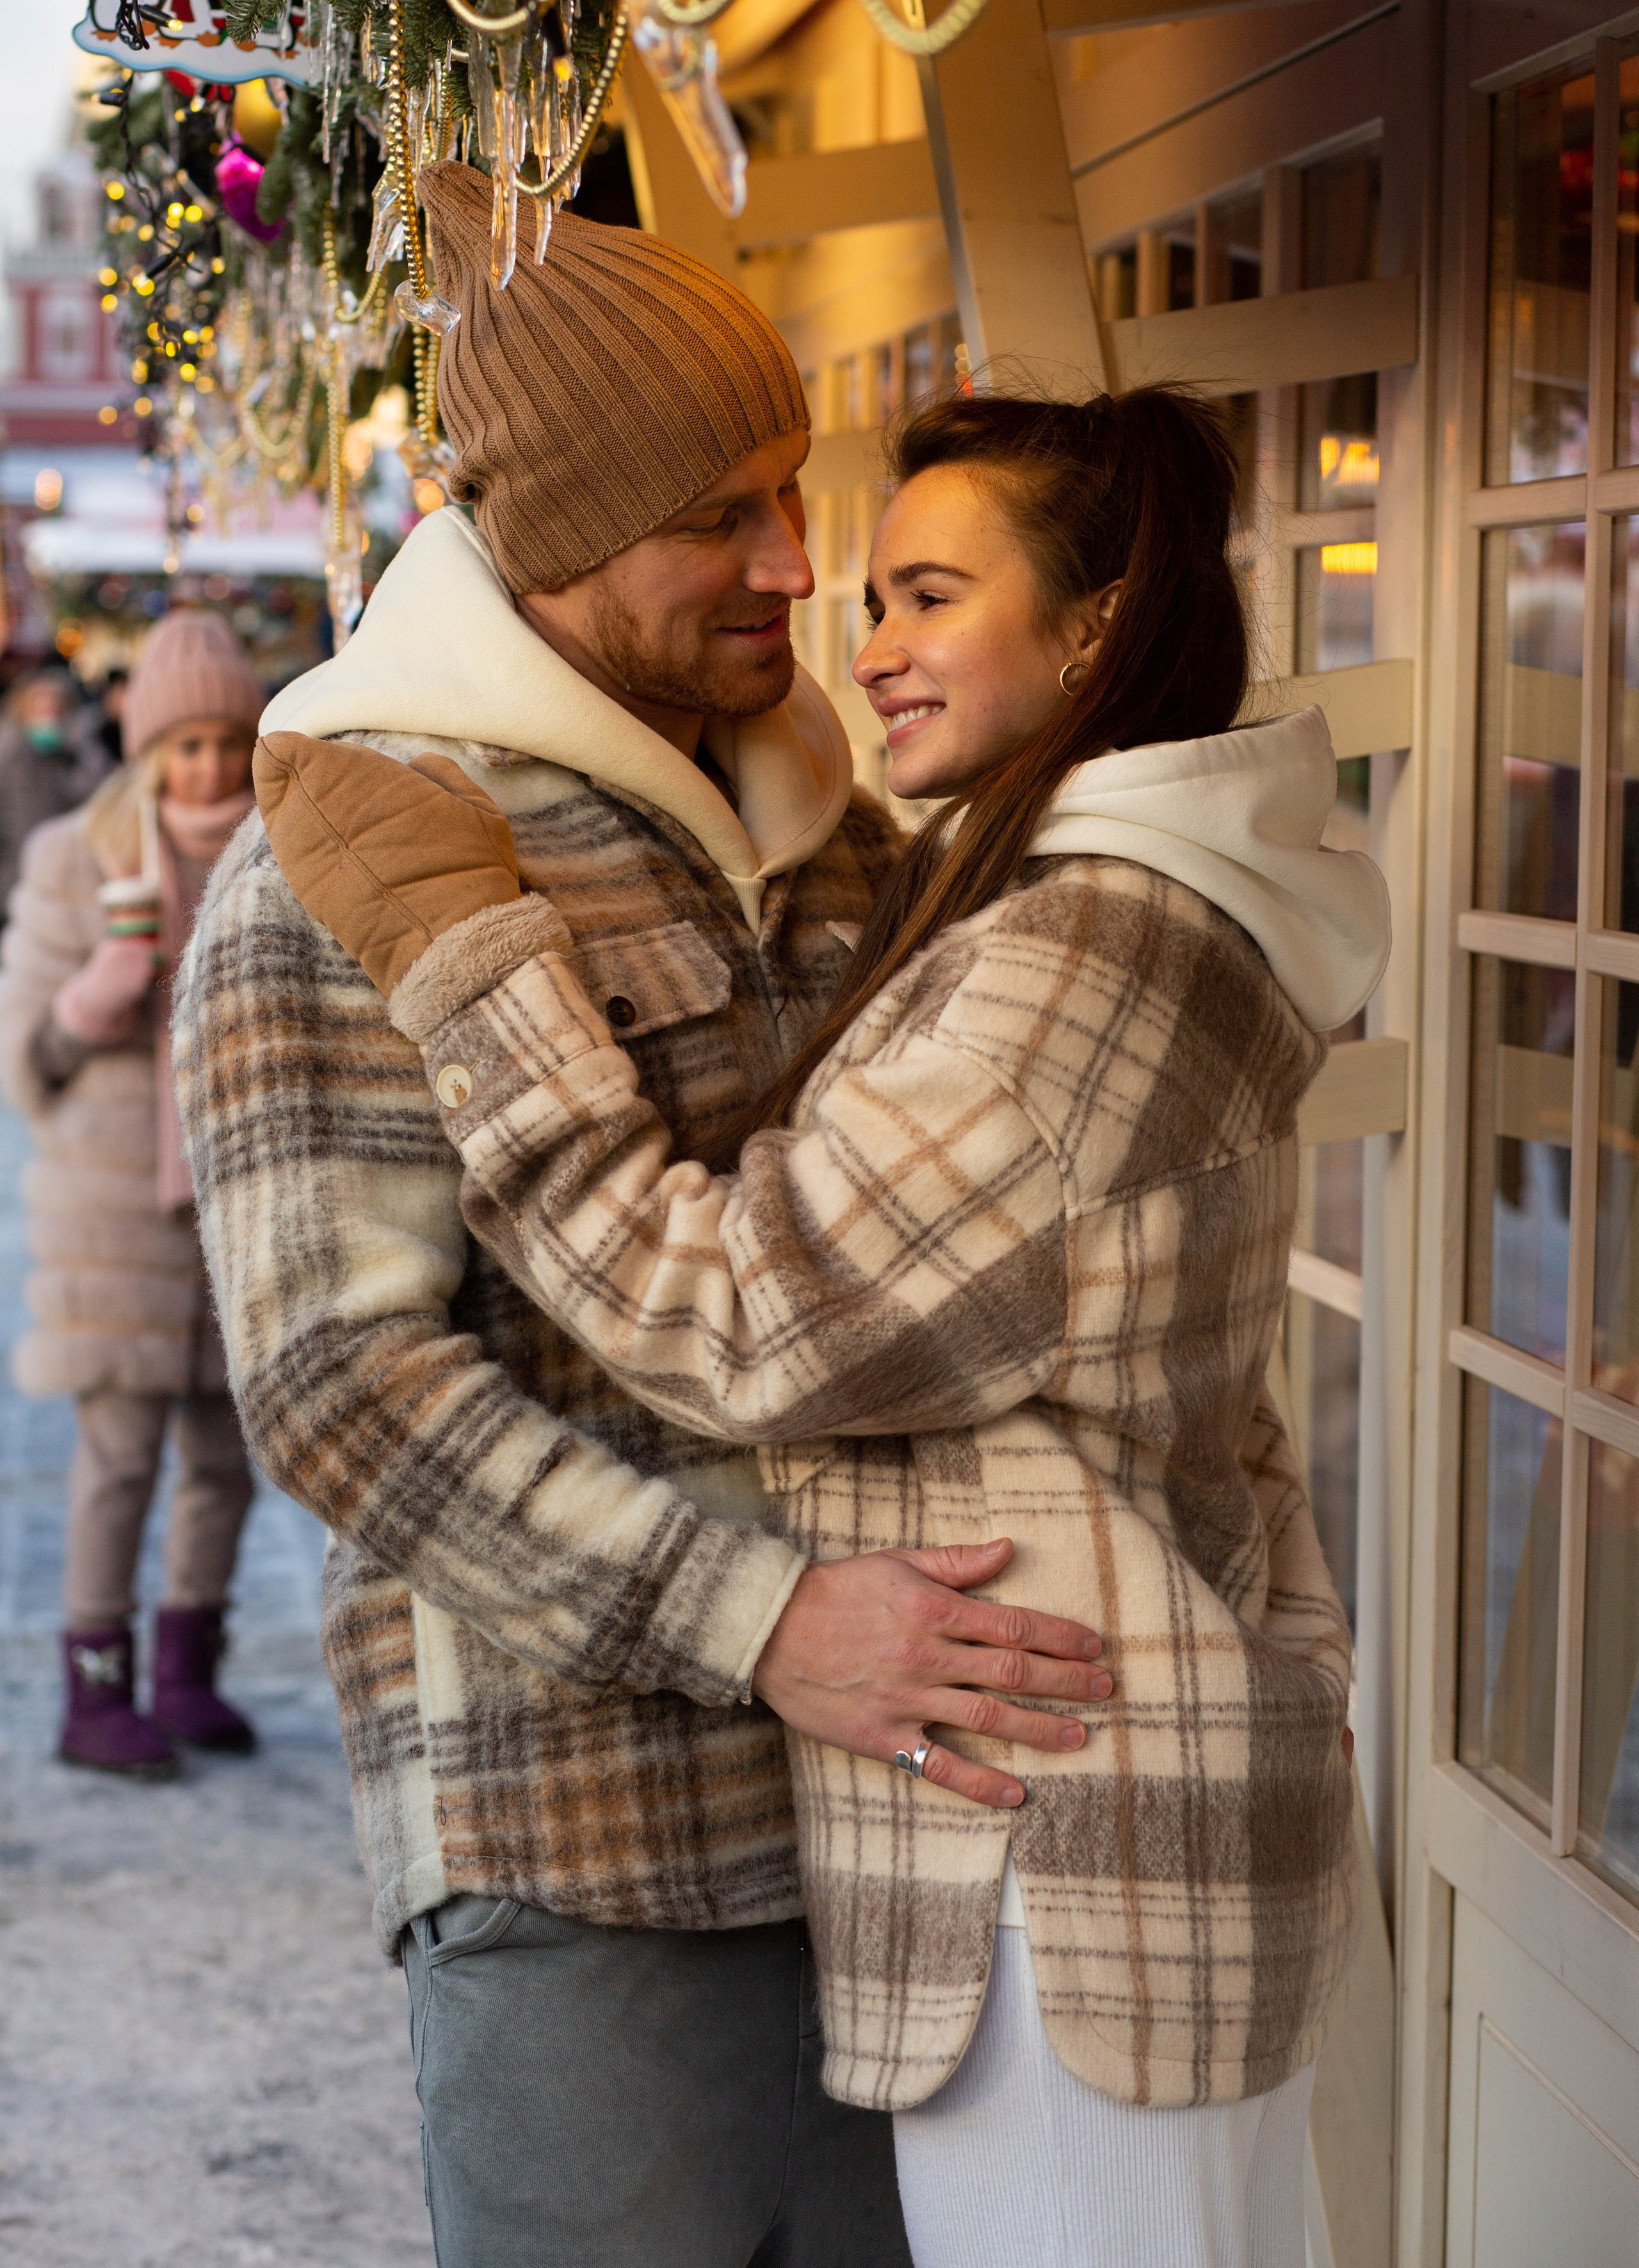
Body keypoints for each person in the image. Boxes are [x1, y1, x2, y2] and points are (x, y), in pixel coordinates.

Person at [254, 386, 1394, 2268]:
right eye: (869, 593)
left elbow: (737, 1313)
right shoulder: (1082, 896)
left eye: (927, 593)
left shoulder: (1086, 946)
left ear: (1096, 623)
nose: (858, 643)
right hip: (1097, 1786)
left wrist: (473, 961)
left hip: (1059, 1848)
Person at [172, 166, 1107, 2268]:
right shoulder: (345, 851)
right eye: (727, 517)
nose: (797, 564)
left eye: (798, 492)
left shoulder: (827, 819)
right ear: (567, 536)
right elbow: (341, 1388)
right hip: (590, 1855)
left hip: (913, 1827)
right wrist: (766, 1621)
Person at [0, 610, 265, 1779]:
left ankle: (186, 1670)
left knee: (227, 1457)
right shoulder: (77, 856)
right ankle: (93, 1689)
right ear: (148, 746)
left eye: (228, 742)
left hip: (246, 1204)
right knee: (118, 1461)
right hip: (117, 1217)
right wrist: (95, 998)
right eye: (186, 746)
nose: (209, 769)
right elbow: (26, 1055)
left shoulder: (284, 854)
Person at [0, 667, 109, 921]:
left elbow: (98, 796)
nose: (47, 712)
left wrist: (70, 752)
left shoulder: (81, 749)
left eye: (54, 705)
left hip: (70, 879)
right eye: (39, 705)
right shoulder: (8, 753)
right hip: (14, 878)